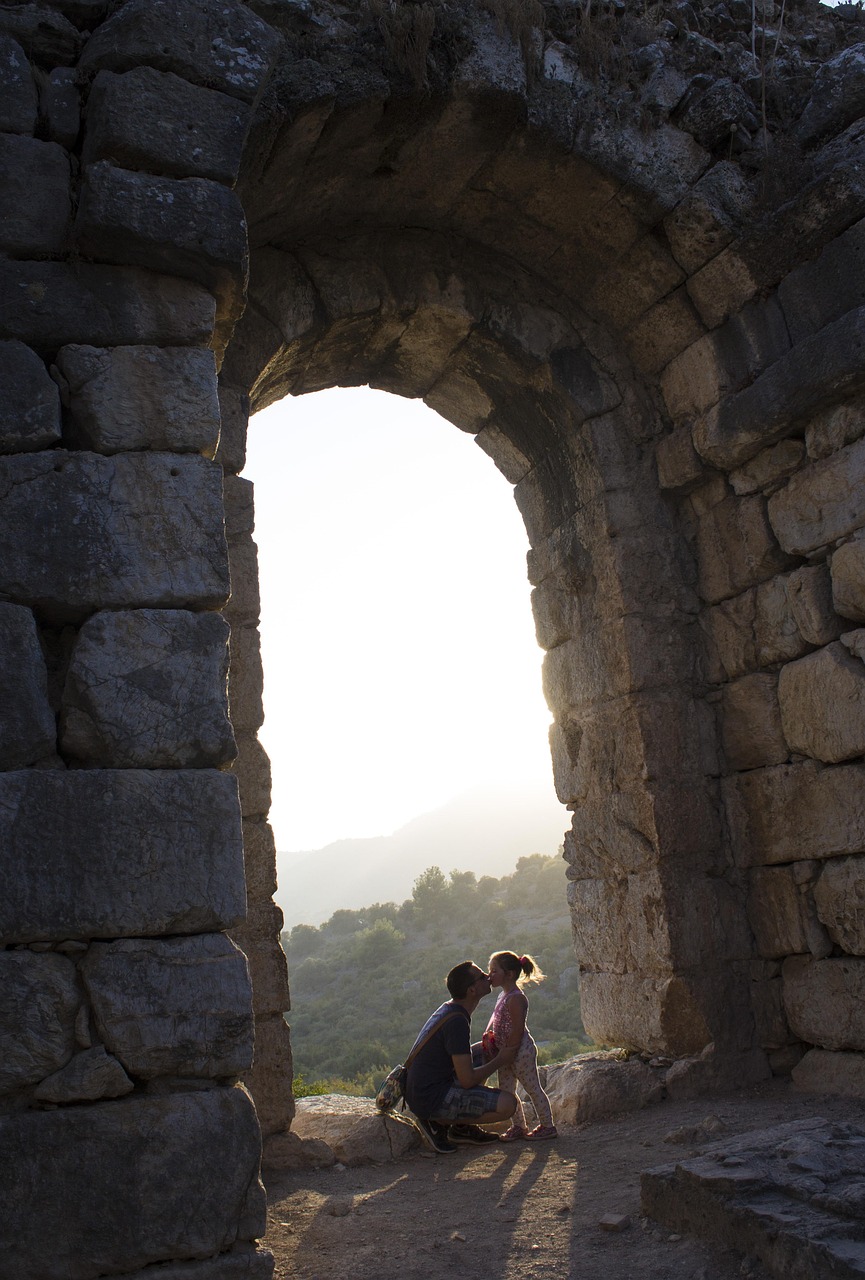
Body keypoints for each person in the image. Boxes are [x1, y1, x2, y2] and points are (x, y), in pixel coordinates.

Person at [404, 960, 518, 1154]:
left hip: (424, 1087)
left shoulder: (451, 1009)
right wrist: (502, 1059)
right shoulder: (457, 1022)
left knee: (486, 1050)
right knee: (508, 1105)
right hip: (431, 1098)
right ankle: (436, 1121)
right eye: (482, 976)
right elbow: (467, 1080)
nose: (488, 977)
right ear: (472, 990)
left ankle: (461, 1128)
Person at [484, 951, 557, 1141]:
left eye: (494, 971)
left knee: (533, 1088)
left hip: (519, 1051)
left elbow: (517, 1029)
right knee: (507, 1091)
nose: (489, 975)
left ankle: (548, 1126)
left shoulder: (516, 998)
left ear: (508, 974)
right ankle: (518, 1125)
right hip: (505, 1052)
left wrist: (509, 1051)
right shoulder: (504, 995)